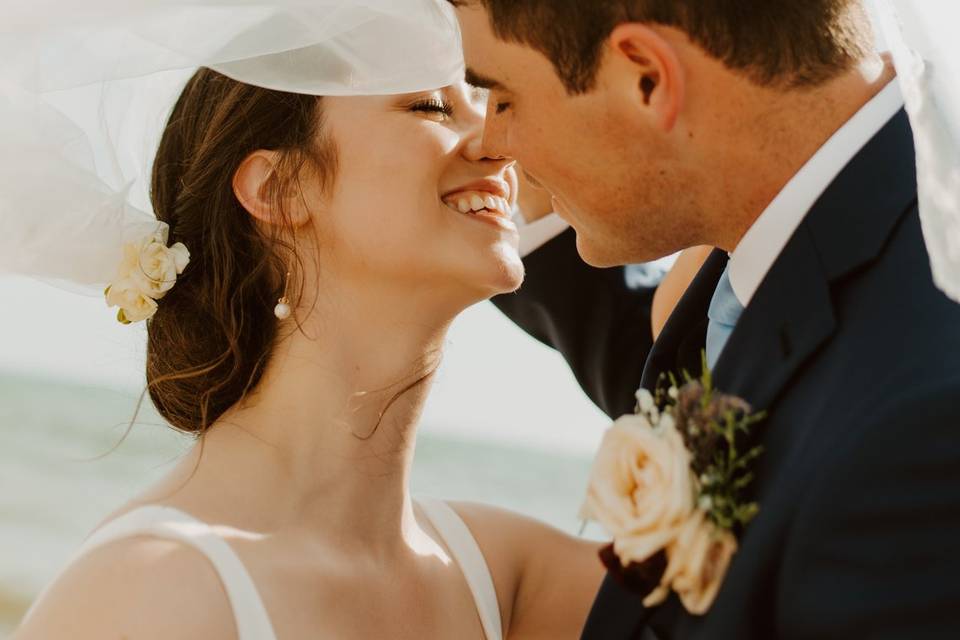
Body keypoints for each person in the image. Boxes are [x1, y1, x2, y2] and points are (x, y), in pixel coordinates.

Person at [11, 64, 616, 638]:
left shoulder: (501, 576)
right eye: (430, 106)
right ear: (279, 188)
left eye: (487, 103)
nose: (501, 145)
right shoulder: (149, 595)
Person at [450, 0, 960, 637]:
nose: (491, 145)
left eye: (501, 97)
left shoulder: (918, 428)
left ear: (648, 78)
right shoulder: (786, 256)